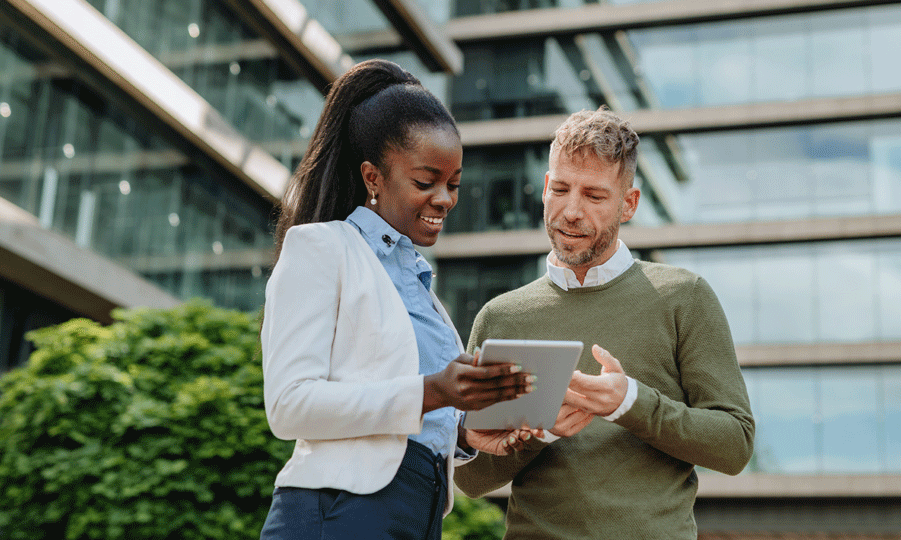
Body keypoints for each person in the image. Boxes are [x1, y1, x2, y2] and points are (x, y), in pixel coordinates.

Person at [259, 59, 536, 540]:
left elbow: (410, 420)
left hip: (416, 514)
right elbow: (288, 405)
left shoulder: (422, 290)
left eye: (453, 184)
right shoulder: (322, 248)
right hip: (340, 513)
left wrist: (466, 435)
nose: (445, 199)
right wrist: (434, 391)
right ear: (373, 177)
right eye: (425, 182)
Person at [453, 106, 755, 539]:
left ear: (628, 203)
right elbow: (471, 478)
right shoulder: (500, 317)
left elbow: (735, 445)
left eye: (594, 196)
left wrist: (629, 402)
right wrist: (541, 431)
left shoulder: (684, 297)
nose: (571, 211)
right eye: (560, 189)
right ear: (544, 189)